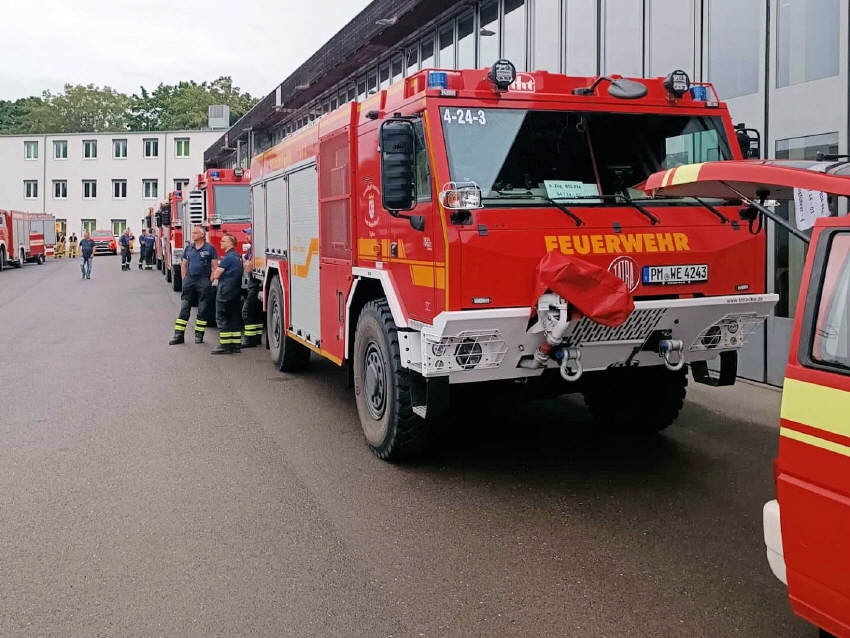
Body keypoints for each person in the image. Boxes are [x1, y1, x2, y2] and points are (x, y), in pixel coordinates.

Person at [168, 225, 218, 345]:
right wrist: (184, 279)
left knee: (203, 309)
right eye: (192, 233)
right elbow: (184, 264)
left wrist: (210, 280)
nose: (193, 235)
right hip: (190, 281)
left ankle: (199, 336)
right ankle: (178, 335)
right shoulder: (189, 248)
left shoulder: (210, 248)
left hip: (203, 281)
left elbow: (215, 266)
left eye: (195, 233)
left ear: (202, 235)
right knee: (184, 308)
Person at [210, 233, 243, 355]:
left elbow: (216, 274)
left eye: (223, 241)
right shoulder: (238, 257)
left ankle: (224, 345)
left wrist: (214, 270)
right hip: (235, 290)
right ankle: (235, 344)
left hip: (225, 291)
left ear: (230, 243)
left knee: (222, 317)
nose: (220, 242)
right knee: (234, 317)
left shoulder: (227, 258)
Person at [240, 228, 263, 348]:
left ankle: (249, 339)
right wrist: (247, 262)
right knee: (256, 312)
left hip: (255, 286)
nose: (246, 237)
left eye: (248, 234)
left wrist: (248, 263)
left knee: (247, 311)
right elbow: (245, 261)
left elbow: (248, 267)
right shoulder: (252, 249)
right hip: (254, 285)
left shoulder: (257, 249)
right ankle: (257, 338)